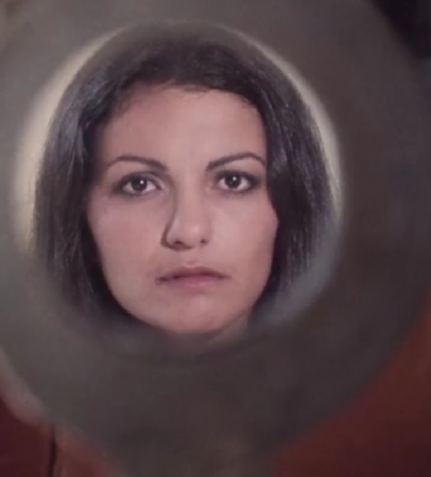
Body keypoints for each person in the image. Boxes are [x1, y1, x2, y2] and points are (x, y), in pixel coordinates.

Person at [33, 24, 332, 346]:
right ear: (80, 214)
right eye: (139, 185)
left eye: (233, 181)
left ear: (289, 207)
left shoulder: (378, 391)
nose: (189, 231)